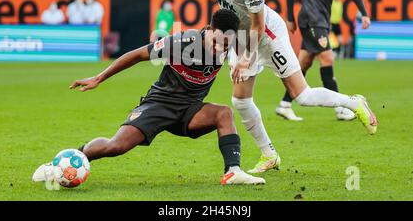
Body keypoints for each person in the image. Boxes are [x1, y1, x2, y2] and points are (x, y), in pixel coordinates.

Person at [184, 0, 377, 174]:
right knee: (240, 101)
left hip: (266, 35)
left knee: (303, 96)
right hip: (242, 37)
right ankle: (269, 155)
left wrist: (245, 57)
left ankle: (353, 103)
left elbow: (258, 26)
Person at [32, 10, 265, 185]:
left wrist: (245, 58)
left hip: (190, 110)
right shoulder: (182, 42)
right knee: (116, 146)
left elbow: (257, 35)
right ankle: (61, 163)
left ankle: (233, 171)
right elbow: (136, 55)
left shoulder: (231, 43)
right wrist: (99, 78)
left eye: (225, 44)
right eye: (216, 42)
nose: (219, 48)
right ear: (207, 29)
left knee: (224, 112)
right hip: (159, 105)